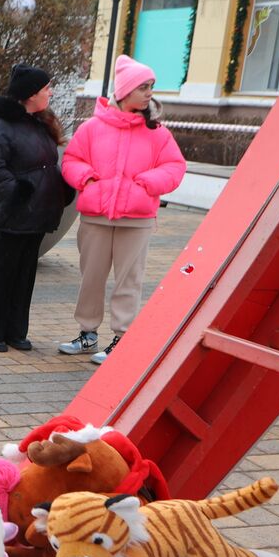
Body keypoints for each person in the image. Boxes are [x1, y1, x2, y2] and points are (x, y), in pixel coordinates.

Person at [60, 55, 186, 364]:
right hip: (96, 217)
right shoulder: (91, 128)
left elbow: (175, 166)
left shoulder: (158, 133)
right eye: (143, 87)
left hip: (137, 220)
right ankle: (87, 334)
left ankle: (121, 338)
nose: (149, 93)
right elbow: (72, 160)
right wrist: (86, 179)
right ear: (124, 91)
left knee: (130, 280)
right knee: (91, 277)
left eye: (151, 87)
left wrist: (148, 183)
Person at [0, 64, 73, 352]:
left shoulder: (40, 123)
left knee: (24, 275)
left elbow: (46, 164)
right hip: (7, 214)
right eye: (45, 88)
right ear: (30, 94)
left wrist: (61, 187)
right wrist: (17, 194)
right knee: (1, 273)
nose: (51, 92)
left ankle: (15, 331)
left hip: (36, 215)